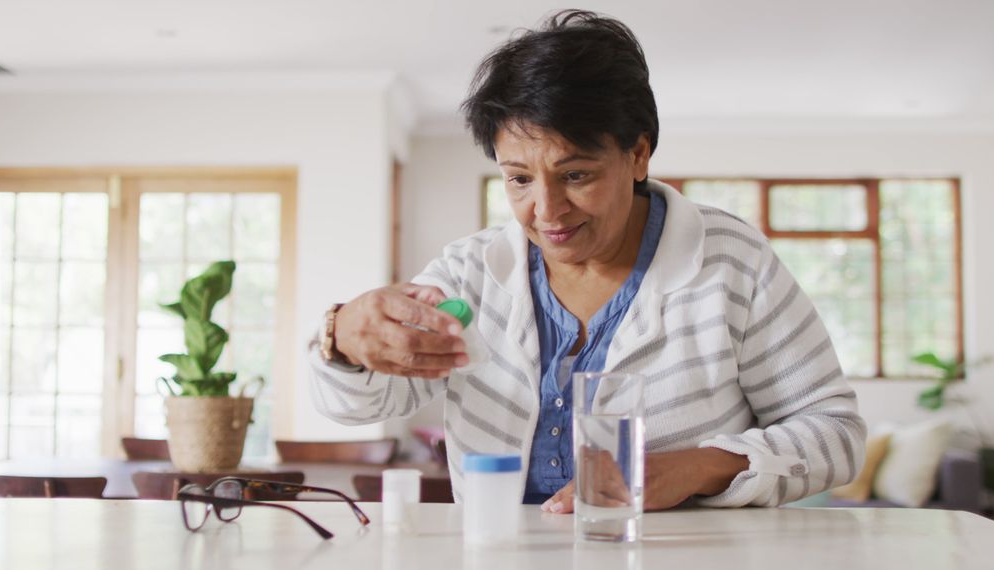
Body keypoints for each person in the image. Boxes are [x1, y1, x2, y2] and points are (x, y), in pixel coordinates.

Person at [309, 10, 865, 512]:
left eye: (576, 175)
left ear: (638, 153)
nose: (546, 211)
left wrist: (699, 467)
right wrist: (345, 338)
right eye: (519, 179)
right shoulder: (468, 272)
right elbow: (356, 404)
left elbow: (836, 434)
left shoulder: (731, 261)